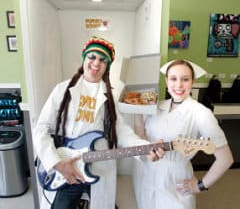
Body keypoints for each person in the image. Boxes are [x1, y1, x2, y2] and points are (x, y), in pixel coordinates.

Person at [33, 36, 163, 209]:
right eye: (92, 57)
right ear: (84, 58)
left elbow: (120, 129)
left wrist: (144, 147)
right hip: (68, 167)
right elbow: (42, 128)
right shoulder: (62, 89)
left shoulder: (110, 97)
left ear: (107, 66)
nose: (96, 63)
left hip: (99, 168)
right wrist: (57, 163)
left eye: (102, 60)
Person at [134, 59, 233, 209]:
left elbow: (225, 159)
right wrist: (137, 112)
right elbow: (141, 138)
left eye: (185, 79)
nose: (178, 85)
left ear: (192, 81)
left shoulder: (201, 113)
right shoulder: (157, 106)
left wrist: (200, 185)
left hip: (177, 183)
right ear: (166, 81)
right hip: (148, 178)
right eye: (173, 78)